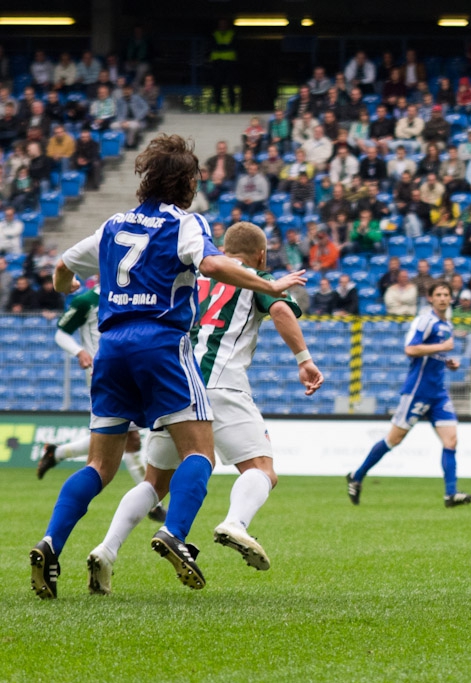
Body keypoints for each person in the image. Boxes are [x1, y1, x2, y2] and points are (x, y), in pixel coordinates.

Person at [28, 135, 306, 599]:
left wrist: (67, 285)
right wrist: (270, 283)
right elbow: (215, 265)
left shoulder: (114, 225)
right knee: (200, 454)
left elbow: (61, 268)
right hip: (160, 345)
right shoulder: (186, 223)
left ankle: (51, 542)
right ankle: (175, 533)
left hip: (111, 350)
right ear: (188, 183)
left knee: (100, 465)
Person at [85, 222, 323, 593]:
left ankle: (106, 549)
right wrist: (304, 359)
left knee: (155, 480)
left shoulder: (194, 276)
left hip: (176, 383)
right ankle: (235, 523)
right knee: (261, 469)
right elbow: (280, 309)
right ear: (260, 255)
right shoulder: (257, 277)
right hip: (223, 383)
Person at [36, 279, 167, 521]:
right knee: (130, 436)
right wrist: (80, 351)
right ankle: (153, 505)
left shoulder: (132, 296)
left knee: (115, 435)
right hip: (102, 373)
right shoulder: (87, 301)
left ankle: (57, 453)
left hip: (130, 368)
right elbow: (61, 334)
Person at [347, 281, 471, 507]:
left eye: (447, 294)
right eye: (439, 294)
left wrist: (448, 362)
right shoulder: (425, 320)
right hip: (417, 390)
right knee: (394, 439)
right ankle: (357, 476)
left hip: (438, 392)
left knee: (451, 439)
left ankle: (451, 493)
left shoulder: (447, 322)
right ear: (430, 298)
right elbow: (410, 349)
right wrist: (442, 349)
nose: (443, 298)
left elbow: (433, 354)